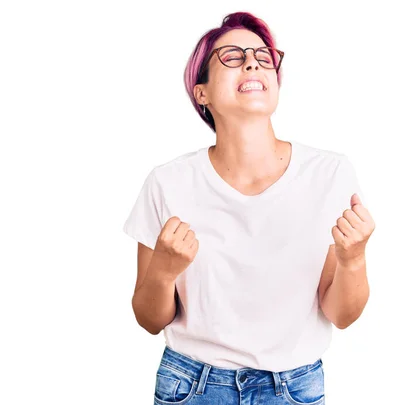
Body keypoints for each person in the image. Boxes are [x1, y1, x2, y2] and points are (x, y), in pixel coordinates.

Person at [123, 11, 376, 405]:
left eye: (262, 55)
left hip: (295, 388)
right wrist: (164, 271)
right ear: (201, 92)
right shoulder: (167, 182)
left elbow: (341, 315)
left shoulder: (330, 173)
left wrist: (354, 259)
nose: (253, 61)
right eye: (232, 57)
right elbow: (149, 318)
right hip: (190, 386)